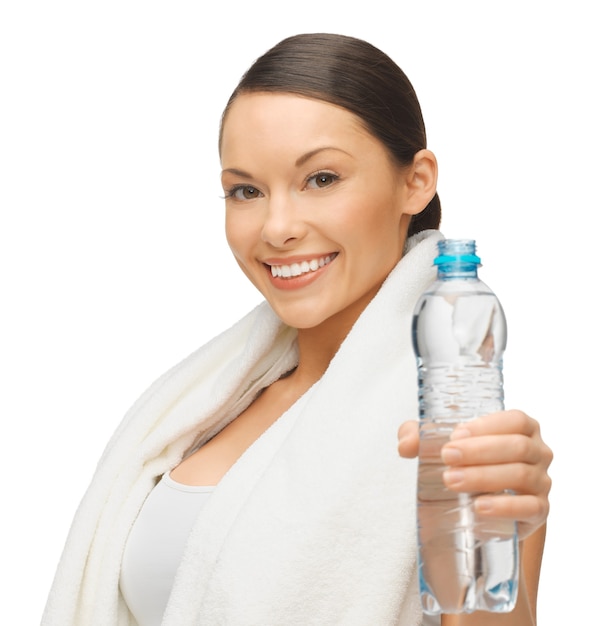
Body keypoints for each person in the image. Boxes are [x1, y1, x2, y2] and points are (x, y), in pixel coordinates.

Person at [42, 33, 552, 626]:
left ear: (415, 182)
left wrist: (497, 524)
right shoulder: (199, 408)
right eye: (246, 191)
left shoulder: (456, 441)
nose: (277, 227)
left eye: (321, 179)